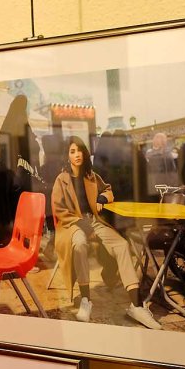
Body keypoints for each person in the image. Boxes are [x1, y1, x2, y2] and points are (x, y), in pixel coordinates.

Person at [51, 137, 161, 330]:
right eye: (72, 151)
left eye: (80, 151)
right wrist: (81, 224)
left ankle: (136, 306)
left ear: (85, 153)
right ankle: (86, 299)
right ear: (67, 156)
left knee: (122, 245)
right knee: (79, 244)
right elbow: (58, 209)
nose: (77, 155)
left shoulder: (91, 176)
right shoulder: (62, 179)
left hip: (94, 222)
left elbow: (108, 190)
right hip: (72, 224)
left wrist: (103, 196)